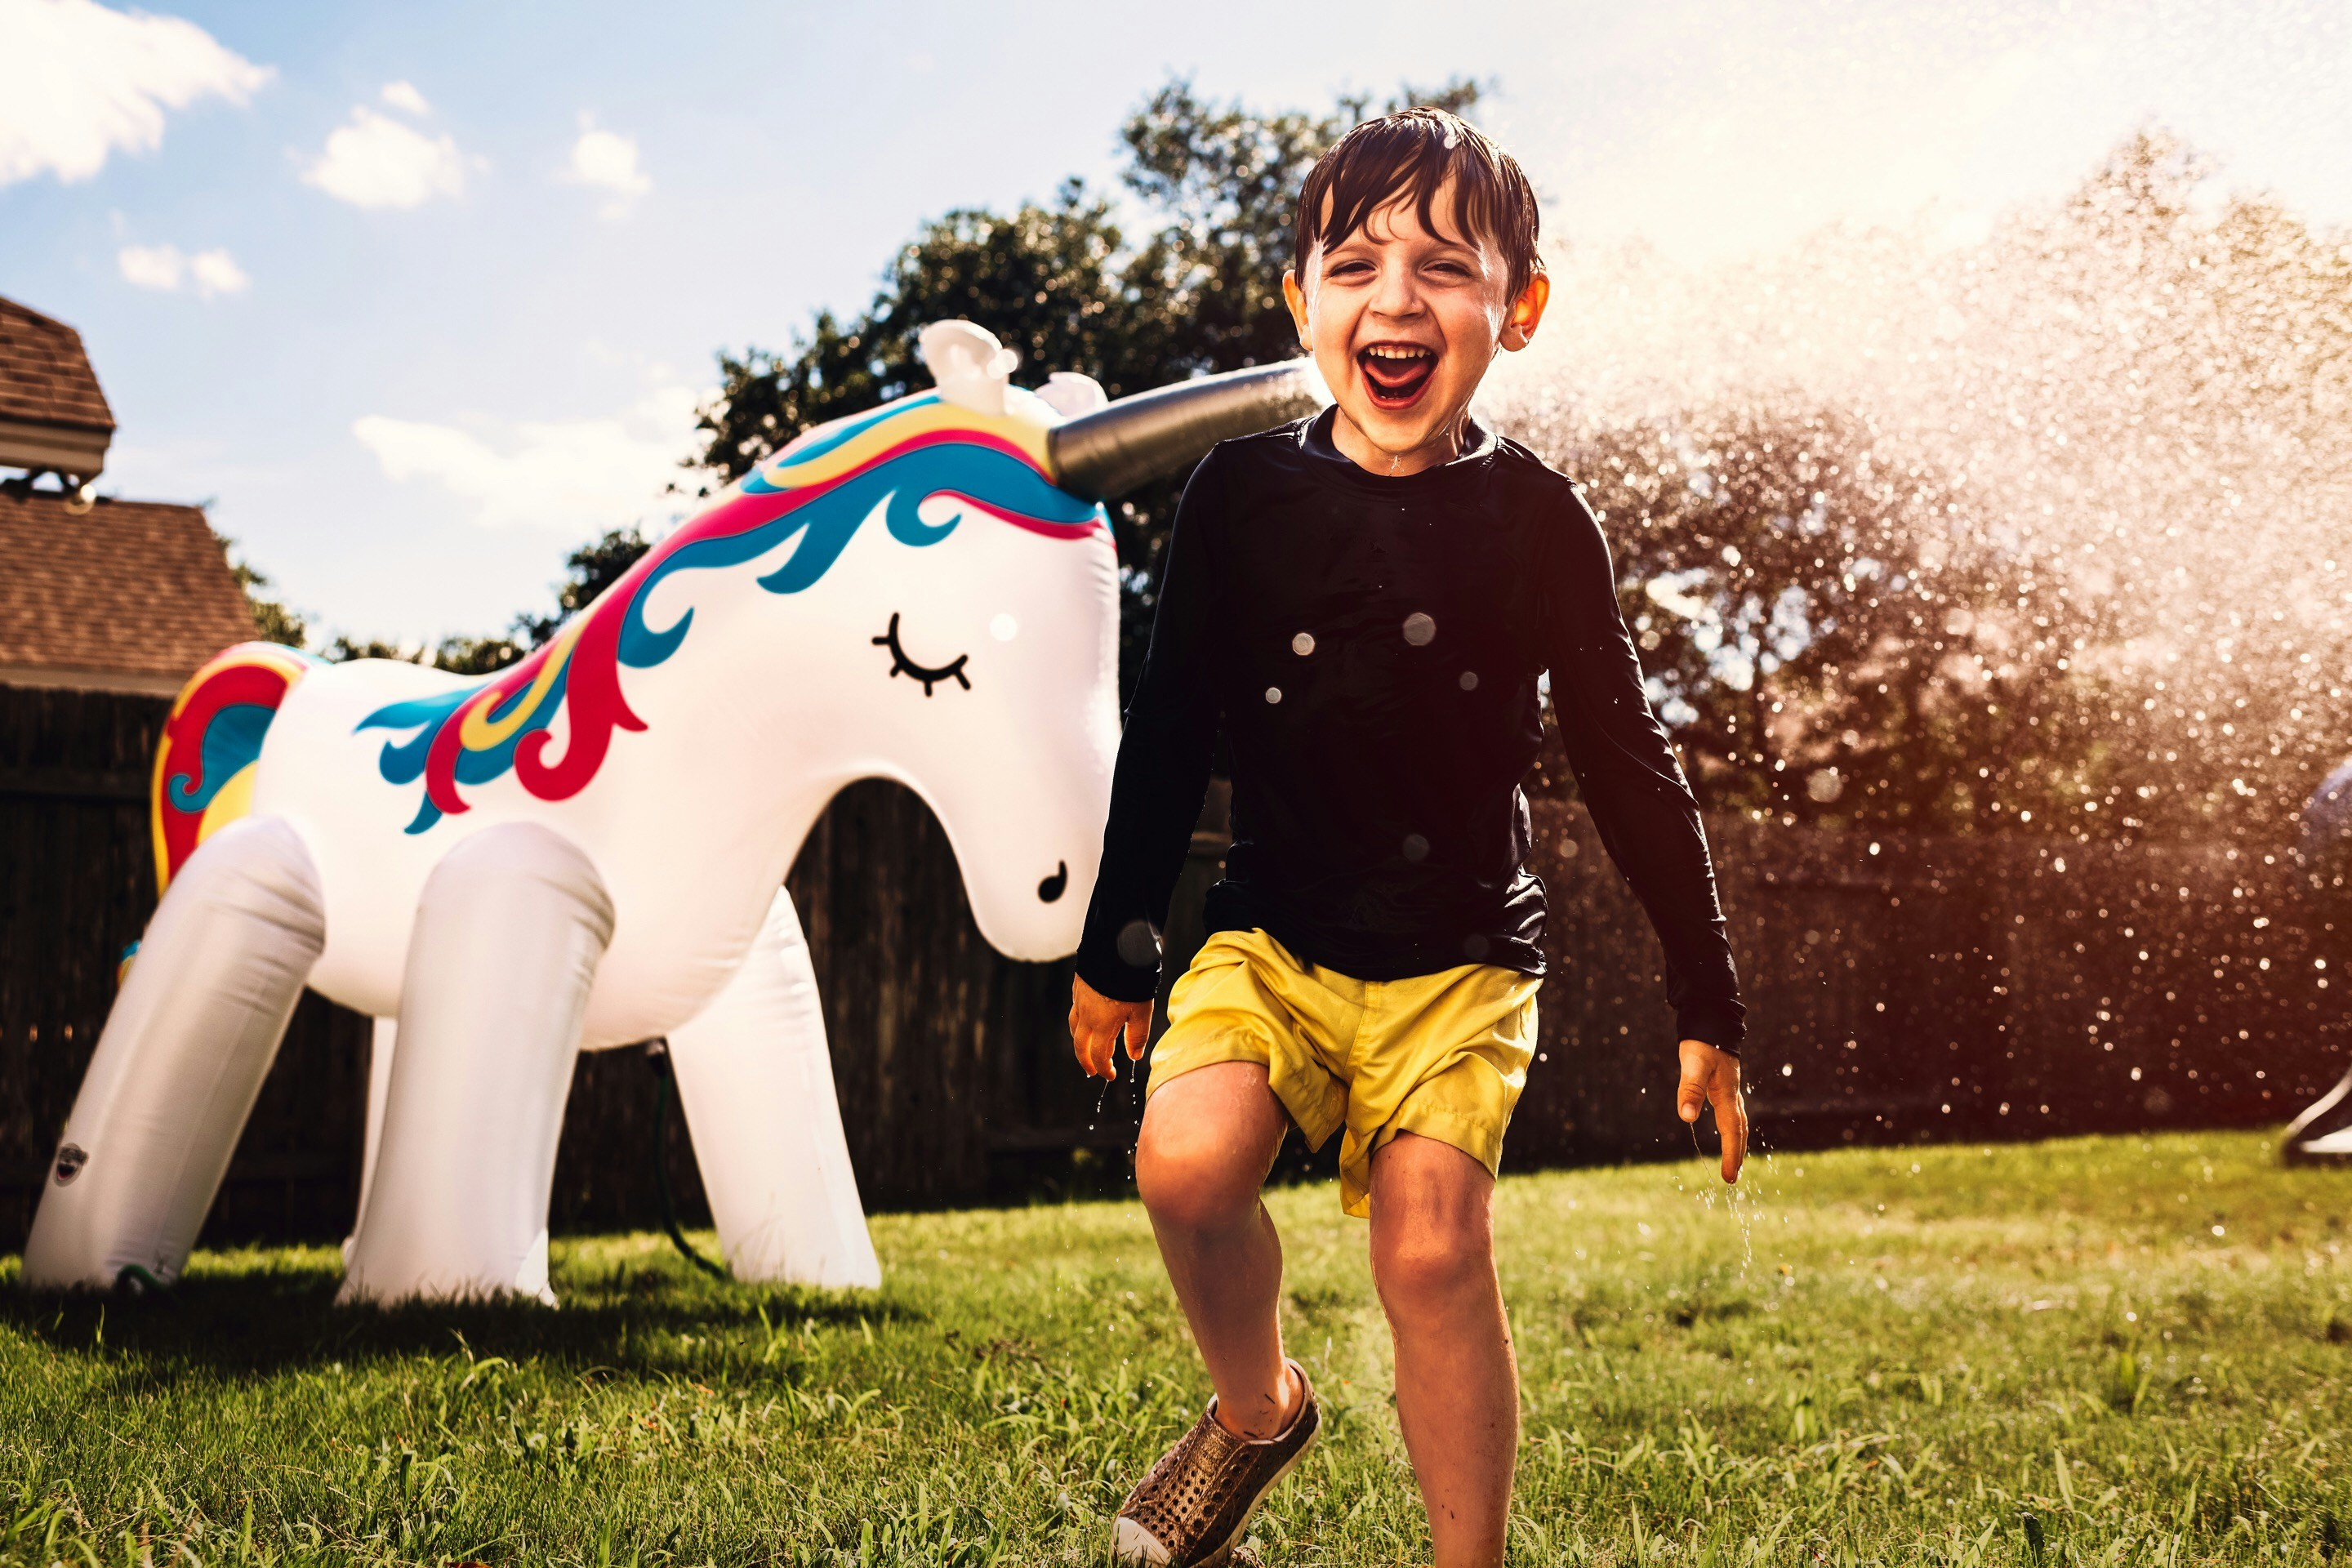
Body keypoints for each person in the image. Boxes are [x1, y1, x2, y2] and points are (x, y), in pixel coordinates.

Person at [1067, 107, 1749, 1568]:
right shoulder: (1237, 499)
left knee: (1432, 1248)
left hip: (1462, 958)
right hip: (1271, 935)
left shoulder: (1542, 522)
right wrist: (1118, 949)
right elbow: (1169, 730)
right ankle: (1255, 1414)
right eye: (1357, 265)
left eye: (1444, 267)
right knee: (1185, 1166)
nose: (1397, 300)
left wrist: (1708, 997)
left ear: (1520, 307)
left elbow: (1630, 763)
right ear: (1300, 302)